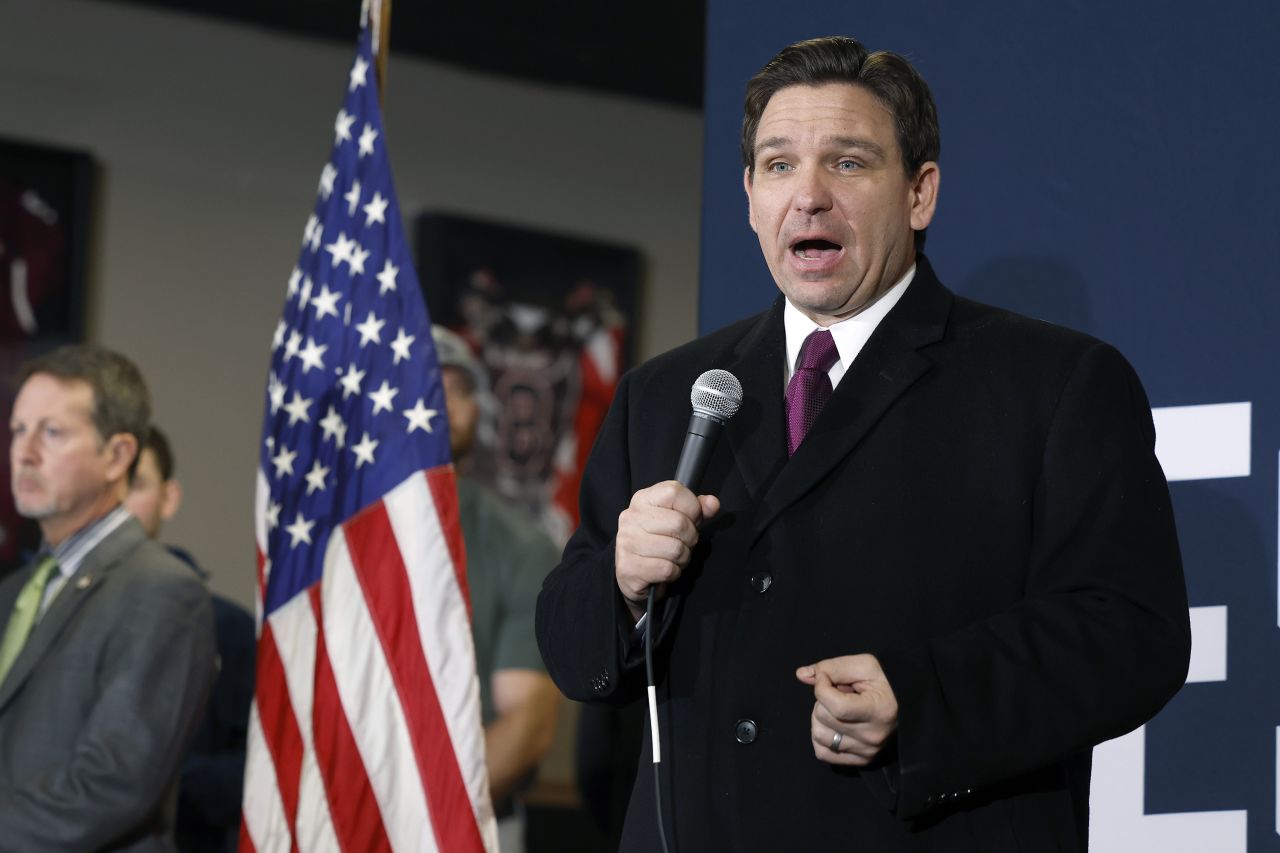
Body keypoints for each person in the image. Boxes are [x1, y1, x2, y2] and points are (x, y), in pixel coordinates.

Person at [535, 36, 1191, 852]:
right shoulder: (667, 394)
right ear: (747, 196)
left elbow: (1133, 632)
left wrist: (923, 700)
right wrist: (622, 584)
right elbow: (573, 653)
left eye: (847, 163)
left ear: (920, 193)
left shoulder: (1054, 383)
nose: (807, 197)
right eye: (778, 166)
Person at [0, 343, 217, 851]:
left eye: (52, 433)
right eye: (17, 431)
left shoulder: (162, 592)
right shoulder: (15, 591)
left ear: (117, 455)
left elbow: (109, 785)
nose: (25, 453)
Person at [432, 325, 563, 853]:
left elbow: (526, 722)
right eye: (423, 386)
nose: (441, 405)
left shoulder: (521, 545)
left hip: (469, 824)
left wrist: (416, 807)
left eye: (458, 390)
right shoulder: (333, 536)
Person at [125, 425, 255, 853]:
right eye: (107, 485)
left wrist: (152, 784)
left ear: (169, 496)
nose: (119, 502)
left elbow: (258, 766)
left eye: (136, 483)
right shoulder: (32, 607)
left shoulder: (227, 627)